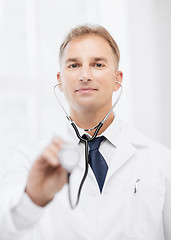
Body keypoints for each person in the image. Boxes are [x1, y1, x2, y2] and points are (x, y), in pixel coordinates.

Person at [0, 24, 171, 240]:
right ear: (60, 80)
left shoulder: (162, 162)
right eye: (74, 65)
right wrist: (32, 199)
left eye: (98, 64)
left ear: (118, 79)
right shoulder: (29, 160)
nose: (85, 75)